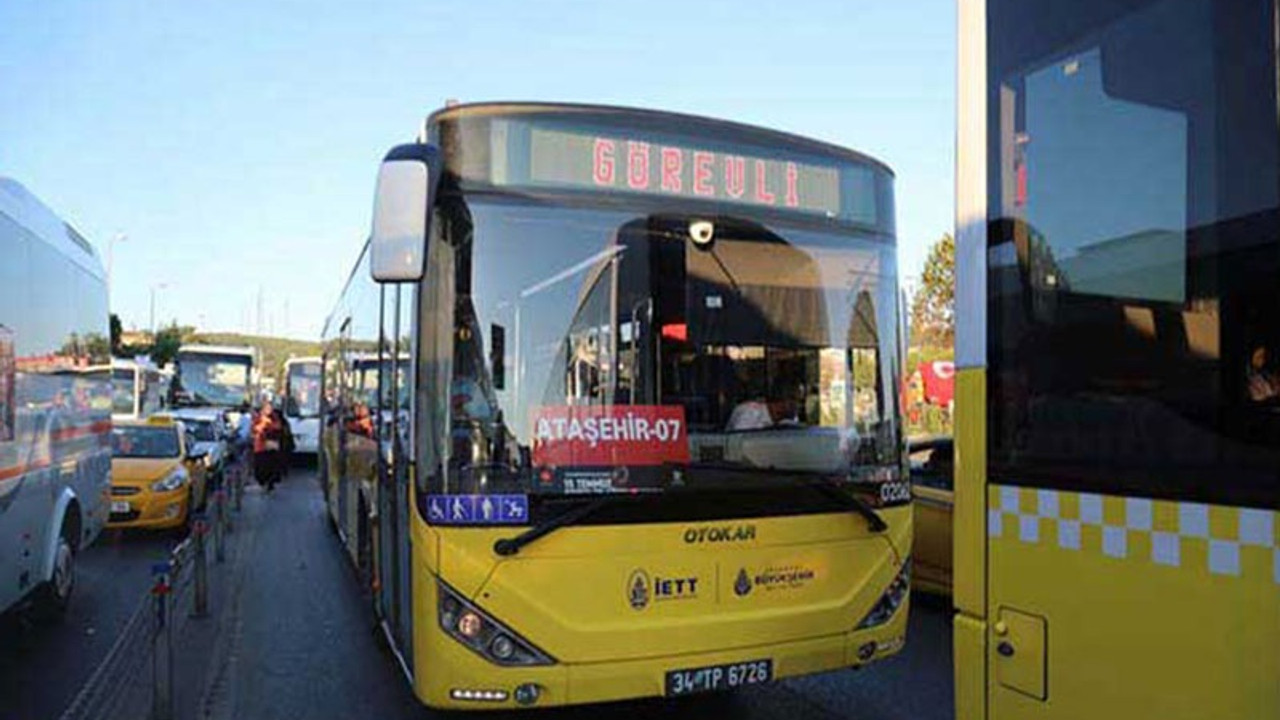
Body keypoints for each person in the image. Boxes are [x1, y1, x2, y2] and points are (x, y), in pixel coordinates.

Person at [252, 399, 287, 492]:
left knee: (272, 467)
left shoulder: (275, 417)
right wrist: (264, 423)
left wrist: (270, 424)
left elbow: (279, 427)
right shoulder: (258, 417)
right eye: (267, 408)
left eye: (270, 408)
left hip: (272, 447)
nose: (269, 410)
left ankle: (270, 484)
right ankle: (263, 483)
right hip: (260, 447)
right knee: (260, 468)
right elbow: (255, 429)